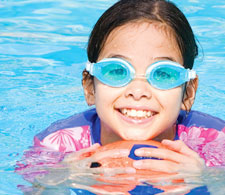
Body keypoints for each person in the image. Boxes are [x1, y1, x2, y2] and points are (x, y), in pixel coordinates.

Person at [17, 0, 225, 190]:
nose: (138, 91)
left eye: (163, 73)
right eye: (117, 71)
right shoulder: (59, 145)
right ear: (90, 87)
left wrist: (206, 179)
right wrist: (62, 178)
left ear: (188, 92)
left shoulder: (215, 141)